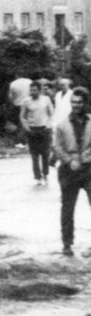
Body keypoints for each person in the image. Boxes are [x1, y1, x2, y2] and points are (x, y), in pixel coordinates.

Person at [53, 87, 91, 256]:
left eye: (79, 102)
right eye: (73, 102)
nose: (76, 105)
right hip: (69, 172)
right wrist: (69, 161)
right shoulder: (62, 125)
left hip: (89, 169)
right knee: (67, 209)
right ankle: (67, 244)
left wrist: (85, 158)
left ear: (85, 103)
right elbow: (56, 147)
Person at [21, 80, 56, 186]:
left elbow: (51, 114)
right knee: (34, 156)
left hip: (44, 129)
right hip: (32, 130)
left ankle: (45, 174)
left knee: (45, 154)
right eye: (31, 90)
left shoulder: (46, 99)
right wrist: (27, 128)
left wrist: (49, 126)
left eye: (35, 90)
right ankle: (38, 177)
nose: (33, 92)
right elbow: (22, 116)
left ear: (40, 90)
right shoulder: (26, 101)